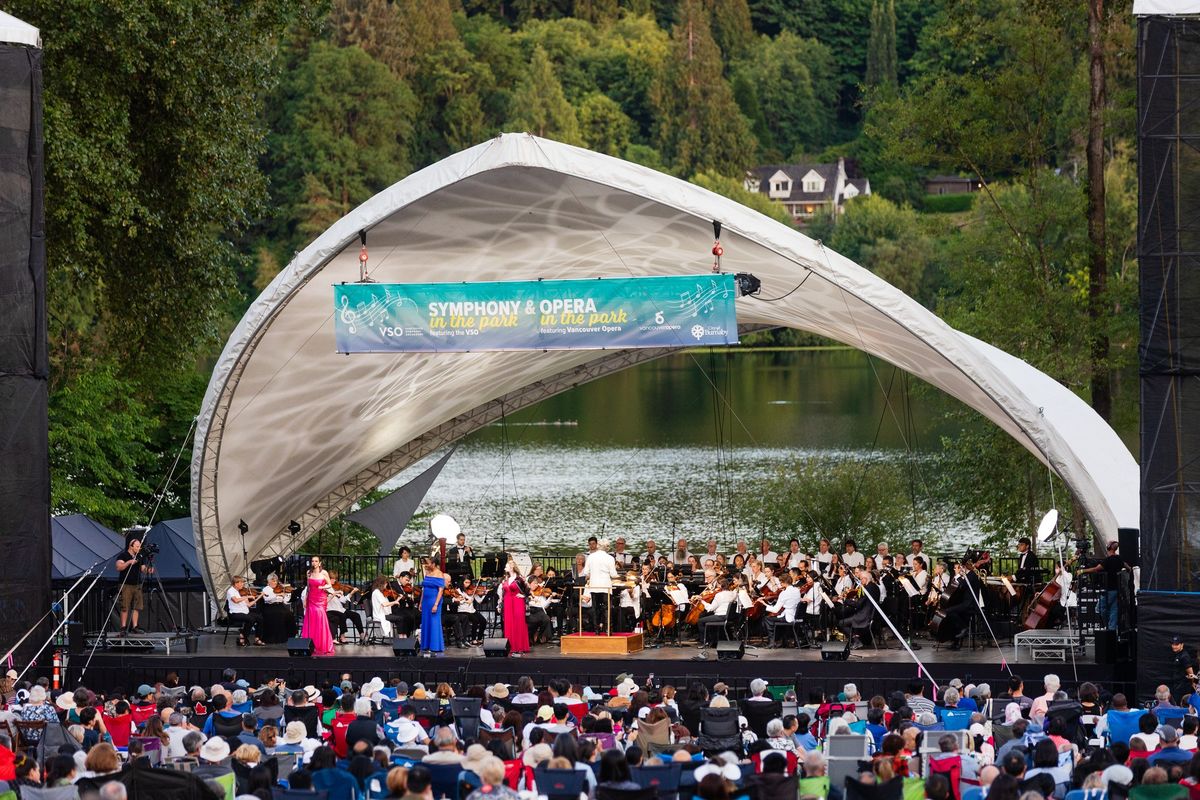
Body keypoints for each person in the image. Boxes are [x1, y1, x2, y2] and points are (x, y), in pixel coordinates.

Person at [1080, 540, 1128, 630]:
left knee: (1099, 608)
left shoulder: (1108, 560)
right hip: (1117, 589)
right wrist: (1129, 569)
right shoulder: (1119, 559)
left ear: (1108, 547)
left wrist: (1082, 571)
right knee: (1114, 610)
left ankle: (1108, 626)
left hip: (1108, 589)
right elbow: (1126, 566)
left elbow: (1095, 569)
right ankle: (1112, 629)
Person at [115, 534, 154, 634]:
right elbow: (119, 567)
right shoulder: (123, 555)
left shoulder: (139, 557)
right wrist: (128, 562)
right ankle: (123, 627)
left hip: (137, 584)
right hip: (126, 584)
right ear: (131, 546)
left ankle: (135, 626)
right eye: (137, 546)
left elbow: (143, 569)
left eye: (139, 546)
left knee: (136, 606)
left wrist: (148, 570)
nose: (139, 548)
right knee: (125, 606)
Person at [581, 538, 621, 634]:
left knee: (595, 608)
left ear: (598, 545)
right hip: (605, 586)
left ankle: (597, 630)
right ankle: (608, 630)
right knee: (607, 608)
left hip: (594, 586)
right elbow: (613, 574)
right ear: (607, 547)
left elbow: (586, 572)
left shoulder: (591, 557)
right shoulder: (610, 558)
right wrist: (622, 577)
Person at [301, 555, 336, 657]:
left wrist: (323, 586)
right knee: (311, 621)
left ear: (319, 563)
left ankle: (322, 645)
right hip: (311, 598)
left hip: (321, 599)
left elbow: (330, 585)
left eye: (316, 561)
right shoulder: (309, 572)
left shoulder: (324, 572)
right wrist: (305, 599)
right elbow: (308, 587)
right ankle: (310, 645)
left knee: (320, 619)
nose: (314, 563)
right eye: (313, 561)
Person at [501, 559, 530, 655]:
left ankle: (520, 646)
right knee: (509, 623)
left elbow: (527, 589)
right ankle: (510, 646)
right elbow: (503, 592)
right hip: (508, 602)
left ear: (511, 567)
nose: (505, 568)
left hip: (517, 602)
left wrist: (524, 595)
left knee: (519, 623)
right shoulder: (506, 579)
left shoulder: (519, 579)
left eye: (506, 566)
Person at [227, 575, 265, 647]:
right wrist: (247, 596)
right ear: (236, 583)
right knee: (251, 619)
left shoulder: (242, 592)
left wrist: (258, 597)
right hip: (235, 613)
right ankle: (243, 637)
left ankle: (257, 638)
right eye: (241, 583)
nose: (243, 584)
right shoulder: (230, 591)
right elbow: (236, 600)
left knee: (260, 618)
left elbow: (249, 605)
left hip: (245, 612)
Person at [419, 557, 447, 656]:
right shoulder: (427, 573)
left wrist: (436, 604)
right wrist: (421, 602)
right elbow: (423, 589)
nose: (426, 565)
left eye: (428, 564)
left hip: (434, 601)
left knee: (434, 622)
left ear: (434, 564)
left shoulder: (440, 574)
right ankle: (426, 645)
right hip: (426, 601)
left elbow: (441, 590)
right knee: (426, 622)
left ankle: (435, 646)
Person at [1168, 635, 1198, 708]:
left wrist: (1193, 683)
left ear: (1182, 645)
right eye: (1173, 644)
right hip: (1177, 686)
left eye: (1176, 644)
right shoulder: (1177, 654)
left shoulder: (1184, 656)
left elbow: (1191, 673)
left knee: (1181, 706)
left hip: (1183, 688)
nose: (1174, 646)